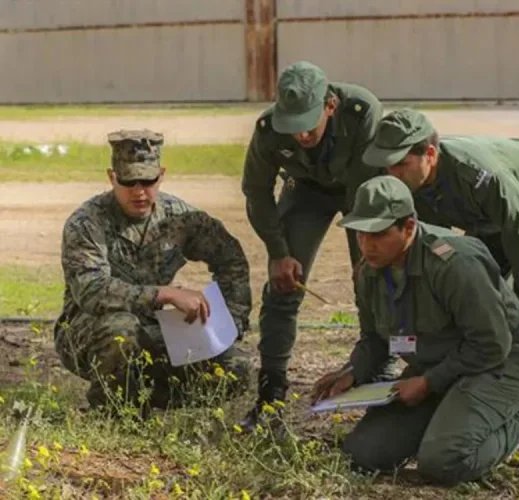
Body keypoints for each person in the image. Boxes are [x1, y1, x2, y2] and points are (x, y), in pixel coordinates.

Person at [311, 175, 519, 485]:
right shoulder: (369, 272)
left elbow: (493, 344)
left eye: (378, 234)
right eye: (360, 234)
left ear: (410, 227)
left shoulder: (454, 264)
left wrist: (429, 382)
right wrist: (353, 371)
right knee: (364, 454)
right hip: (437, 369)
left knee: (445, 462)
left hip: (500, 366)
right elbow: (375, 338)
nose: (367, 245)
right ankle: (445, 422)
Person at [361, 108, 519, 400]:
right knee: (483, 293)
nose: (393, 174)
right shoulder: (409, 183)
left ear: (430, 153)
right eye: (388, 166)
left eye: (401, 164)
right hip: (488, 219)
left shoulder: (477, 174)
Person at [54, 129, 252, 413]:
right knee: (120, 330)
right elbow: (91, 291)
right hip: (89, 330)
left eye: (147, 181)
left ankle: (143, 399)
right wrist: (163, 294)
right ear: (112, 177)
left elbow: (230, 257)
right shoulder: (87, 223)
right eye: (128, 181)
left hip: (155, 329)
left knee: (237, 368)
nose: (139, 191)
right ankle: (114, 411)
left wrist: (230, 321)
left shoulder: (179, 217)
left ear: (161, 175)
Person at [238, 61, 389, 430]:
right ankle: (271, 390)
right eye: (294, 128)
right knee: (284, 284)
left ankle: (375, 367)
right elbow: (256, 191)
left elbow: (365, 192)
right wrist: (278, 252)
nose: (301, 135)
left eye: (309, 125)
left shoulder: (361, 111)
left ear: (330, 106)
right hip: (306, 191)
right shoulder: (268, 128)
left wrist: (365, 251)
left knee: (371, 278)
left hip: (360, 191)